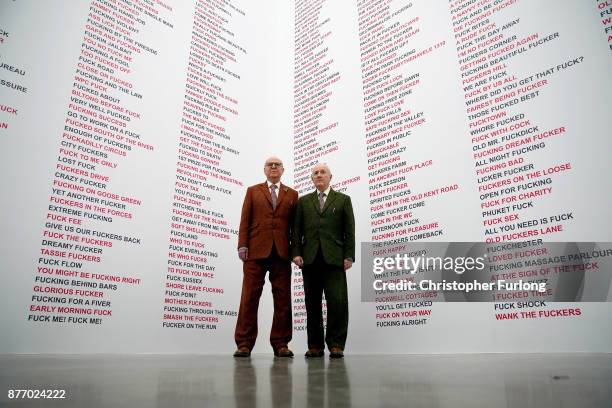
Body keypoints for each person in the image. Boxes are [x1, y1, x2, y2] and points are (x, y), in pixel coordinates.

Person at [234, 156, 298, 358]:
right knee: (249, 298)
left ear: (283, 170)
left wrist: (295, 252)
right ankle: (244, 343)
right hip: (255, 251)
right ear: (264, 169)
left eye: (277, 164)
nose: (273, 167)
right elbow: (245, 219)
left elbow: (295, 228)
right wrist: (242, 245)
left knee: (283, 300)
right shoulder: (253, 191)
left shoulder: (293, 194)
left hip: (281, 253)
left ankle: (281, 343)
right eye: (270, 164)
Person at [292, 163, 355, 358]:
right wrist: (296, 253)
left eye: (323, 172)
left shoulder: (343, 200)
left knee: (337, 302)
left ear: (330, 177)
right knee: (312, 304)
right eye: (315, 173)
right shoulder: (303, 202)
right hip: (310, 260)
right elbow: (296, 231)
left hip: (335, 259)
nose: (319, 175)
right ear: (312, 179)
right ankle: (315, 346)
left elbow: (349, 230)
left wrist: (349, 255)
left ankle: (336, 344)